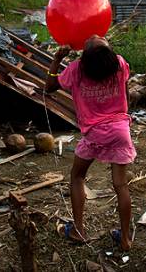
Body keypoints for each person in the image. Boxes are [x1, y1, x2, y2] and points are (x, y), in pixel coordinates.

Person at [45, 35, 135, 251]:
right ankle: (125, 239)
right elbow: (126, 91)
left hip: (94, 133)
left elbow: (49, 87)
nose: (96, 35)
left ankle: (78, 230)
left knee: (77, 176)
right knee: (120, 185)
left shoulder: (77, 69)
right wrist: (125, 114)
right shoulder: (119, 63)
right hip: (121, 130)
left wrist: (57, 59)